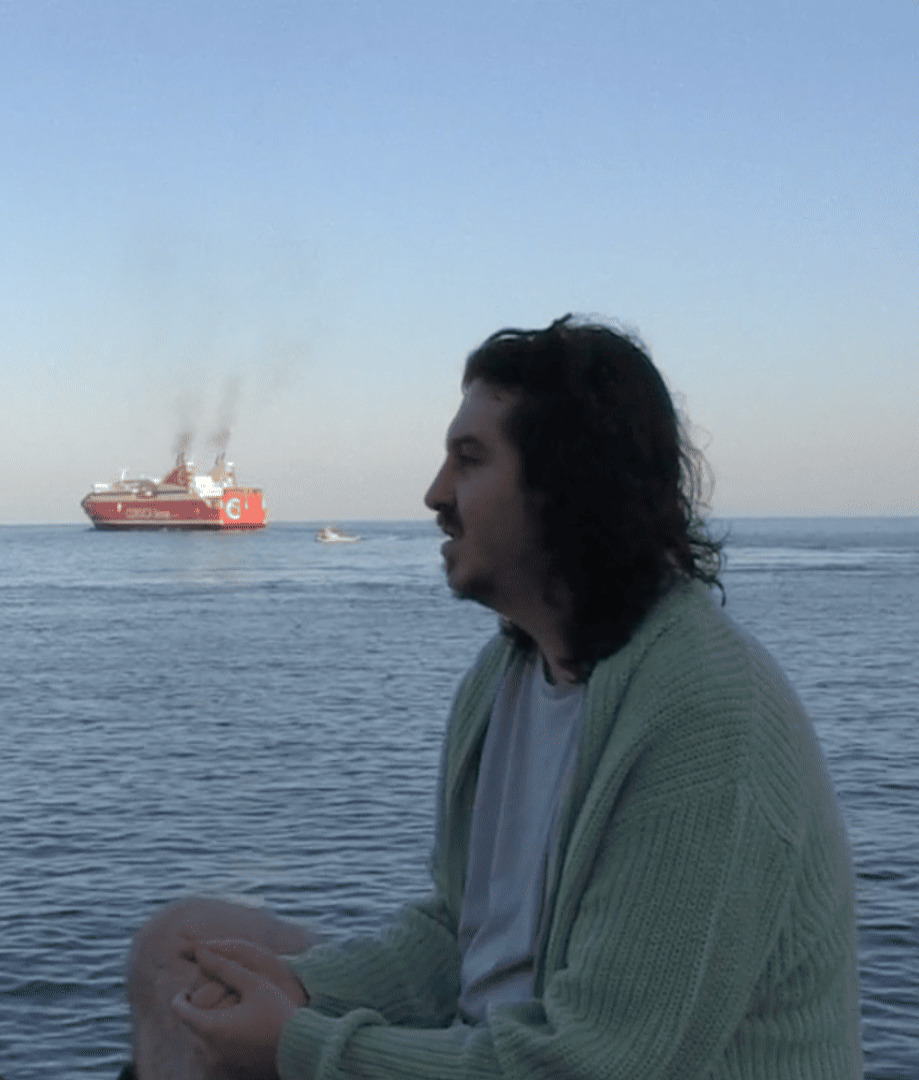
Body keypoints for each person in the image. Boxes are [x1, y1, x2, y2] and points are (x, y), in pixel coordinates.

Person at [122, 317, 862, 1079]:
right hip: (498, 1045)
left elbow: (598, 1065)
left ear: (565, 486)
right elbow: (461, 935)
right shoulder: (506, 676)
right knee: (178, 951)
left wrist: (297, 1046)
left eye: (469, 461)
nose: (434, 494)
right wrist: (300, 988)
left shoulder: (706, 717)